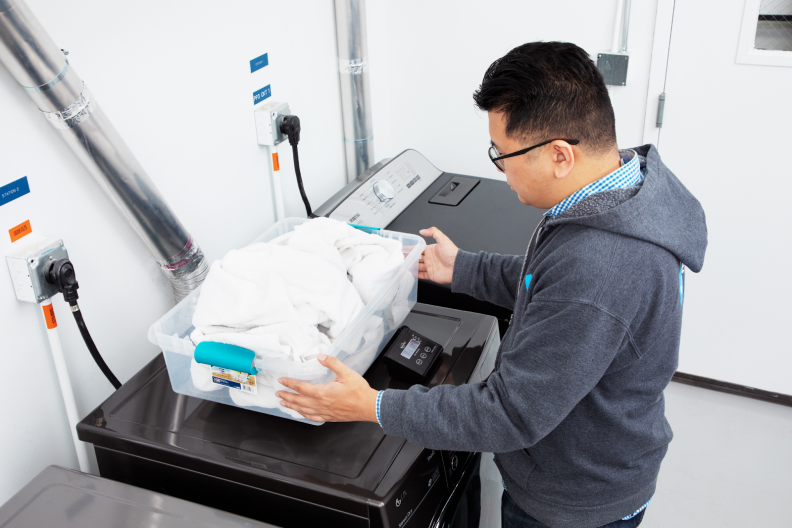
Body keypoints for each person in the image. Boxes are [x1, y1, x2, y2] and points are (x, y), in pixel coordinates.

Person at [276, 41, 707, 528]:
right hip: (599, 454)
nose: (500, 169)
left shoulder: (600, 267)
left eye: (503, 154)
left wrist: (371, 404)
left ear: (560, 156)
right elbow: (544, 281)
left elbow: (510, 414)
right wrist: (461, 268)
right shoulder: (623, 191)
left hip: (573, 499)